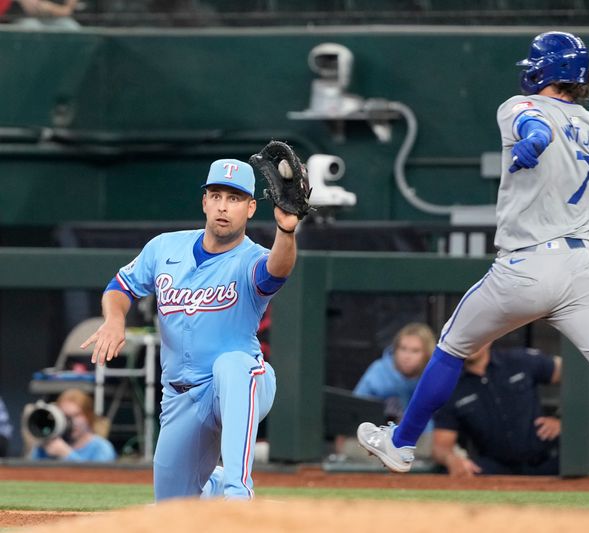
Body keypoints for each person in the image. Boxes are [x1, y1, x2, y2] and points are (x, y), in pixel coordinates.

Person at [357, 31, 589, 473]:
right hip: (581, 267)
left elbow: (536, 125)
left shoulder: (518, 105)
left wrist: (537, 143)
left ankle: (401, 443)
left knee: (451, 347)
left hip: (527, 263)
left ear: (544, 70)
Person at [81, 155, 300, 500]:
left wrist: (286, 231)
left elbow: (277, 270)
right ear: (204, 201)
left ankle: (238, 492)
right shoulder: (165, 246)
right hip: (181, 398)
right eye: (216, 196)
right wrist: (115, 319)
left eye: (234, 198)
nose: (223, 207)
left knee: (232, 364)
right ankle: (212, 487)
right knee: (173, 508)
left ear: (251, 207)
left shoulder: (252, 258)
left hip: (241, 385)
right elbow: (120, 287)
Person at [432, 343, 561, 477]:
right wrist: (453, 460)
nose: (470, 343)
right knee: (457, 472)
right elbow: (441, 447)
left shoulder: (520, 360)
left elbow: (575, 373)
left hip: (547, 459)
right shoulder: (450, 386)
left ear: (489, 338)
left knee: (577, 462)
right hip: (495, 467)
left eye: (475, 337)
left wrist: (563, 419)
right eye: (464, 338)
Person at [353, 322, 436, 422]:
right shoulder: (378, 370)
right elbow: (354, 410)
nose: (407, 356)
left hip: (423, 433)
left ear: (427, 353)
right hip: (378, 433)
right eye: (403, 348)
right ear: (395, 349)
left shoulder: (435, 377)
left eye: (415, 351)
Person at [29, 389, 116, 462]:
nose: (71, 422)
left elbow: (98, 478)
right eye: (65, 416)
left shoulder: (101, 448)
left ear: (88, 416)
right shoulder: (46, 446)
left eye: (76, 415)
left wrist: (67, 454)